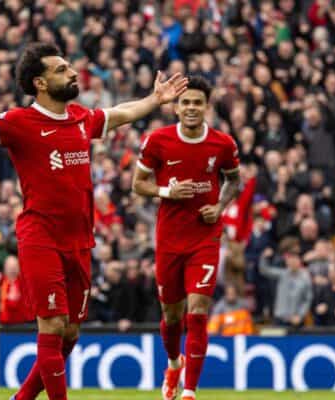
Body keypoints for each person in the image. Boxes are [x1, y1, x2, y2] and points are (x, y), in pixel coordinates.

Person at [0, 42, 188, 400]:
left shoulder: (80, 117)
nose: (72, 72)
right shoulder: (19, 123)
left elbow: (120, 113)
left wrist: (155, 100)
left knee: (71, 333)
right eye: (61, 69)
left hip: (80, 240)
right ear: (40, 83)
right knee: (53, 325)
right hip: (39, 236)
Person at [132, 76, 240, 400]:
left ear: (207, 106)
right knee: (172, 316)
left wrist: (219, 206)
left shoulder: (223, 144)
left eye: (197, 102)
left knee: (198, 311)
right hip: (169, 239)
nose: (191, 108)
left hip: (204, 238)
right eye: (186, 102)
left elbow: (234, 182)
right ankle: (173, 363)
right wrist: (166, 191)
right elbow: (138, 184)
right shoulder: (157, 141)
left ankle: (190, 391)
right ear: (176, 107)